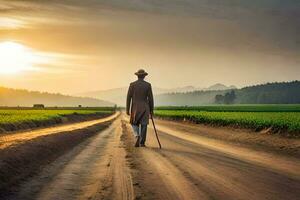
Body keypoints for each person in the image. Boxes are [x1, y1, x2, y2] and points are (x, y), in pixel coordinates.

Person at [126, 69, 154, 147]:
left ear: (137, 76)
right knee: (144, 125)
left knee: (133, 123)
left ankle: (137, 135)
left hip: (135, 108)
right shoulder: (148, 85)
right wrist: (151, 111)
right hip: (145, 107)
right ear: (144, 76)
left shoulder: (132, 85)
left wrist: (127, 109)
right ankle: (142, 142)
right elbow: (151, 99)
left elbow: (128, 98)